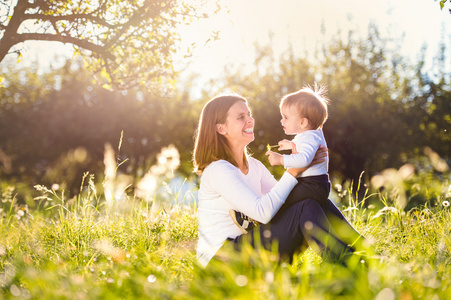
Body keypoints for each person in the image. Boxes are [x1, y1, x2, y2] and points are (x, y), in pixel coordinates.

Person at [193, 93, 367, 268]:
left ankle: (366, 255)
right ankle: (351, 267)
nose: (250, 120)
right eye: (241, 117)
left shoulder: (255, 166)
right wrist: (294, 169)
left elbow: (285, 203)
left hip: (250, 248)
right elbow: (263, 212)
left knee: (313, 201)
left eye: (249, 114)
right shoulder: (218, 169)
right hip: (221, 260)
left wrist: (306, 161)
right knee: (305, 207)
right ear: (221, 129)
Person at [230, 85, 331, 233]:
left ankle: (256, 220)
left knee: (283, 200)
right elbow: (305, 151)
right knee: (286, 198)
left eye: (286, 117)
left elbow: (304, 160)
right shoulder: (311, 135)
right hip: (315, 184)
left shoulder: (309, 137)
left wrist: (281, 159)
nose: (281, 121)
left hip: (312, 185)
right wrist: (291, 144)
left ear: (303, 122)